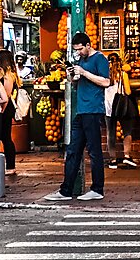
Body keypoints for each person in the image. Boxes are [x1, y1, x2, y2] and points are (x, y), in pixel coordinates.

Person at [44, 33, 111, 201]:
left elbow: (105, 82)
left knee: (94, 151)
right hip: (81, 110)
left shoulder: (100, 59)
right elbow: (77, 84)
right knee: (73, 150)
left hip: (93, 110)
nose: (79, 53)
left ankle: (97, 188)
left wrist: (84, 72)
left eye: (81, 49)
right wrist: (73, 77)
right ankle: (66, 190)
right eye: (76, 50)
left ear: (88, 45)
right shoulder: (81, 61)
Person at [105, 52, 137, 169]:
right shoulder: (123, 74)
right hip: (122, 107)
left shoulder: (104, 75)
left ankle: (113, 159)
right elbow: (128, 92)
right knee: (127, 132)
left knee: (110, 133)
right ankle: (127, 156)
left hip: (109, 107)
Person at [0, 49, 20, 174]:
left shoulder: (9, 76)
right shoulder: (4, 74)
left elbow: (7, 95)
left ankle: (10, 166)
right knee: (3, 137)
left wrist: (1, 111)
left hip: (5, 109)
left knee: (5, 137)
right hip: (2, 109)